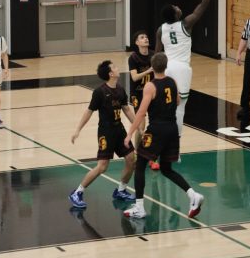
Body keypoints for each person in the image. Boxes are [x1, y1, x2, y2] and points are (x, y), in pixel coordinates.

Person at [123, 52, 203, 219]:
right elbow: (178, 102)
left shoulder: (150, 86)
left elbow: (141, 113)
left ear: (153, 67)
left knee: (140, 166)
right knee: (166, 169)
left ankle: (139, 207)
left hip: (157, 130)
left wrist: (130, 133)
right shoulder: (172, 82)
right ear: (166, 66)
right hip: (172, 129)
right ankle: (192, 195)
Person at [69, 60, 136, 209]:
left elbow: (126, 109)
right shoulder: (99, 92)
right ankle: (77, 192)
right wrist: (78, 130)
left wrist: (137, 126)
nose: (118, 68)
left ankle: (121, 190)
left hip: (120, 130)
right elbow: (89, 111)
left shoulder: (120, 89)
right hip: (106, 132)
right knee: (102, 166)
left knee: (131, 159)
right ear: (110, 74)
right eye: (115, 67)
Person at [155, 0, 214, 137]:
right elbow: (204, 3)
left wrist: (155, 74)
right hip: (181, 69)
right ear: (175, 15)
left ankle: (160, 139)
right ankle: (176, 147)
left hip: (166, 69)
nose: (178, 7)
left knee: (165, 107)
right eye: (176, 8)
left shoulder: (161, 29)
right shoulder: (186, 24)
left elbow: (157, 55)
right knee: (180, 108)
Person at [128, 30, 159, 170]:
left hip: (152, 93)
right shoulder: (133, 57)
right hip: (138, 94)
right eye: (142, 37)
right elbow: (134, 77)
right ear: (137, 43)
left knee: (155, 126)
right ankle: (137, 154)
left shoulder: (153, 55)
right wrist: (149, 70)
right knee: (141, 126)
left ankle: (152, 157)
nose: (146, 38)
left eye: (146, 37)